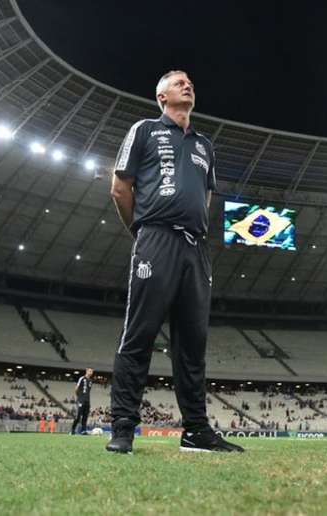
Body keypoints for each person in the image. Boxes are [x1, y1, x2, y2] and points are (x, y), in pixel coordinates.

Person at [106, 70, 243, 454]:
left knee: (192, 343)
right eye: (179, 81)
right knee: (139, 334)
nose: (189, 84)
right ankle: (123, 428)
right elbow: (120, 188)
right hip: (156, 239)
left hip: (194, 248)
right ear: (162, 96)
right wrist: (143, 232)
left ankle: (196, 432)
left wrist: (193, 227)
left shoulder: (205, 145)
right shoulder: (145, 130)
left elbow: (206, 197)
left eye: (191, 82)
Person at [70, 368, 94, 435]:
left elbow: (88, 391)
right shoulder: (82, 378)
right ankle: (72, 430)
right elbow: (76, 388)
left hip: (87, 401)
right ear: (86, 371)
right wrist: (79, 397)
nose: (91, 372)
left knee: (85, 417)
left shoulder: (91, 381)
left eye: (92, 371)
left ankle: (83, 431)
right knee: (78, 416)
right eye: (90, 371)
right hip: (81, 400)